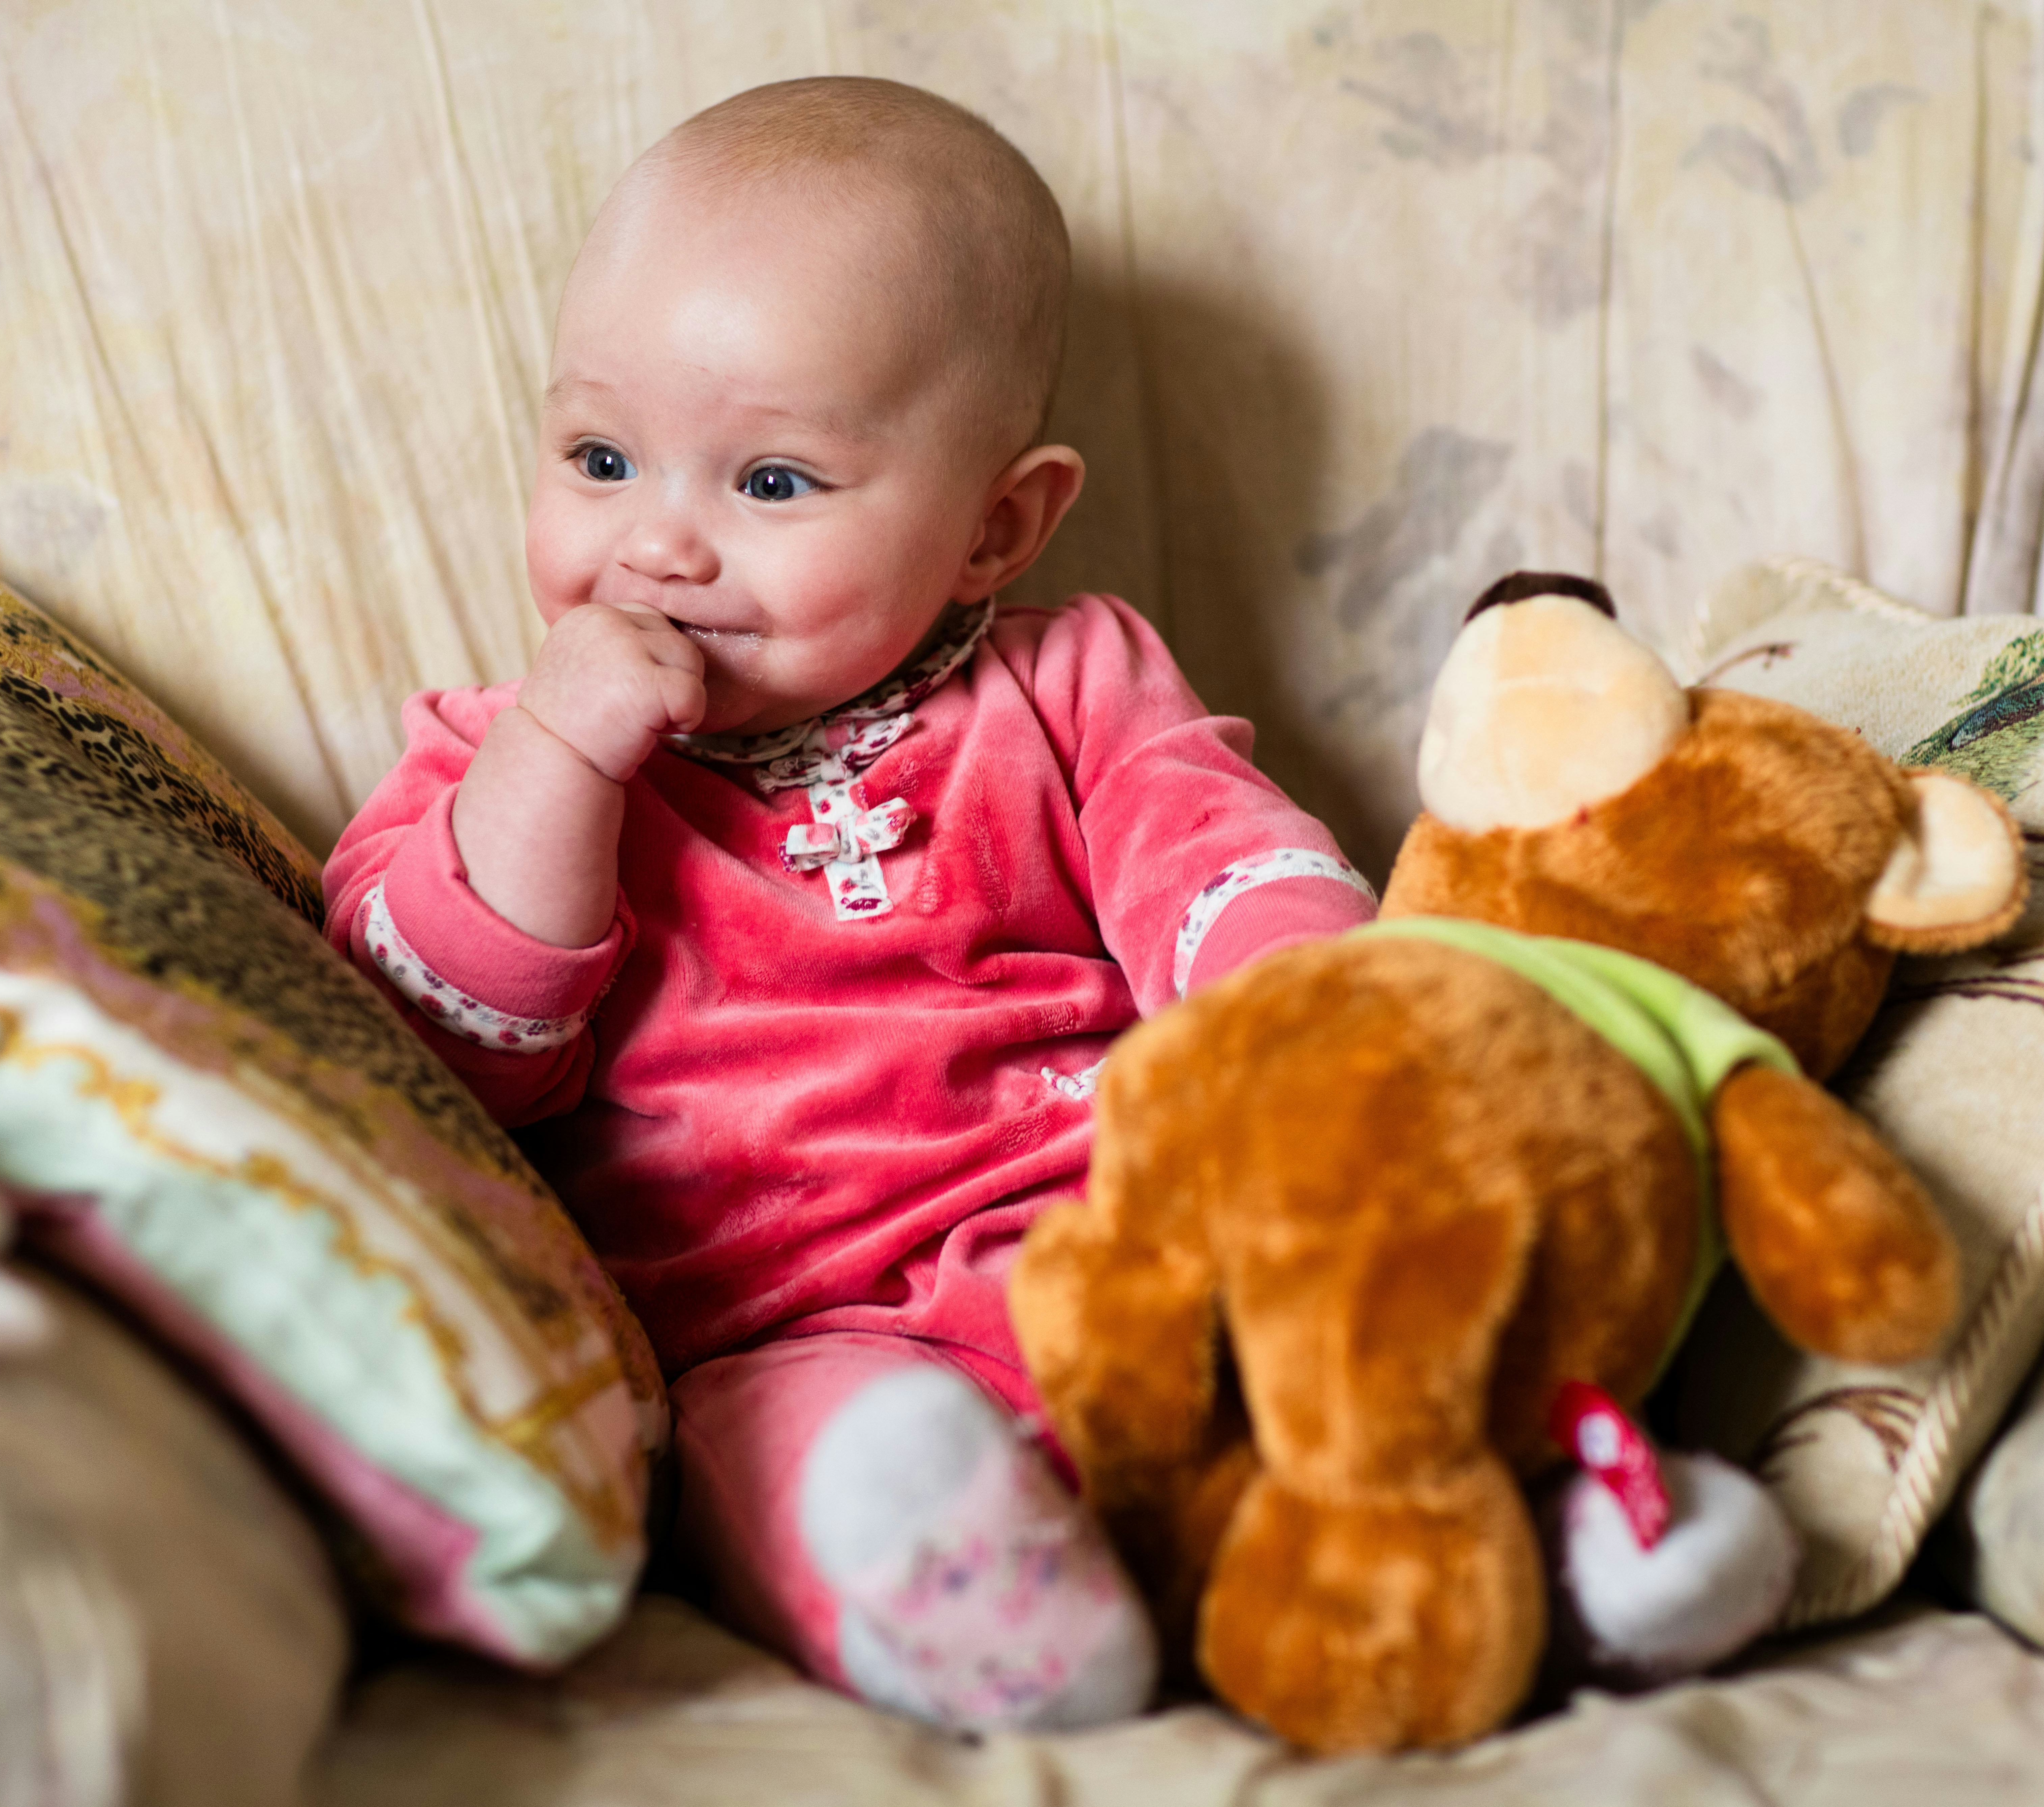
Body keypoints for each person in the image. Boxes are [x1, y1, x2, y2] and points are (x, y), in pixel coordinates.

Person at [325, 74, 1377, 1731]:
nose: (657, 546)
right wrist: (560, 764)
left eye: (772, 485)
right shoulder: (496, 764)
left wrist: (1321, 1039)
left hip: (1131, 1248)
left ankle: (1557, 1526)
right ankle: (962, 1599)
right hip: (796, 1324)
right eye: (601, 457)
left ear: (993, 525)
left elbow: (1217, 863)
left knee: (1364, 1323)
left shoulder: (1068, 681)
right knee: (783, 1453)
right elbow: (439, 1052)